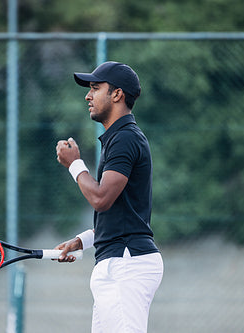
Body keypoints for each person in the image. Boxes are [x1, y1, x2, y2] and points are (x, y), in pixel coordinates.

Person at [55, 61, 164, 333]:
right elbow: (122, 214)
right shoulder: (119, 138)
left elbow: (101, 199)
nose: (87, 96)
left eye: (95, 88)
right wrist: (83, 240)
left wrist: (75, 165)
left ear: (117, 95)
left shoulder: (126, 138)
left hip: (126, 265)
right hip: (118, 261)